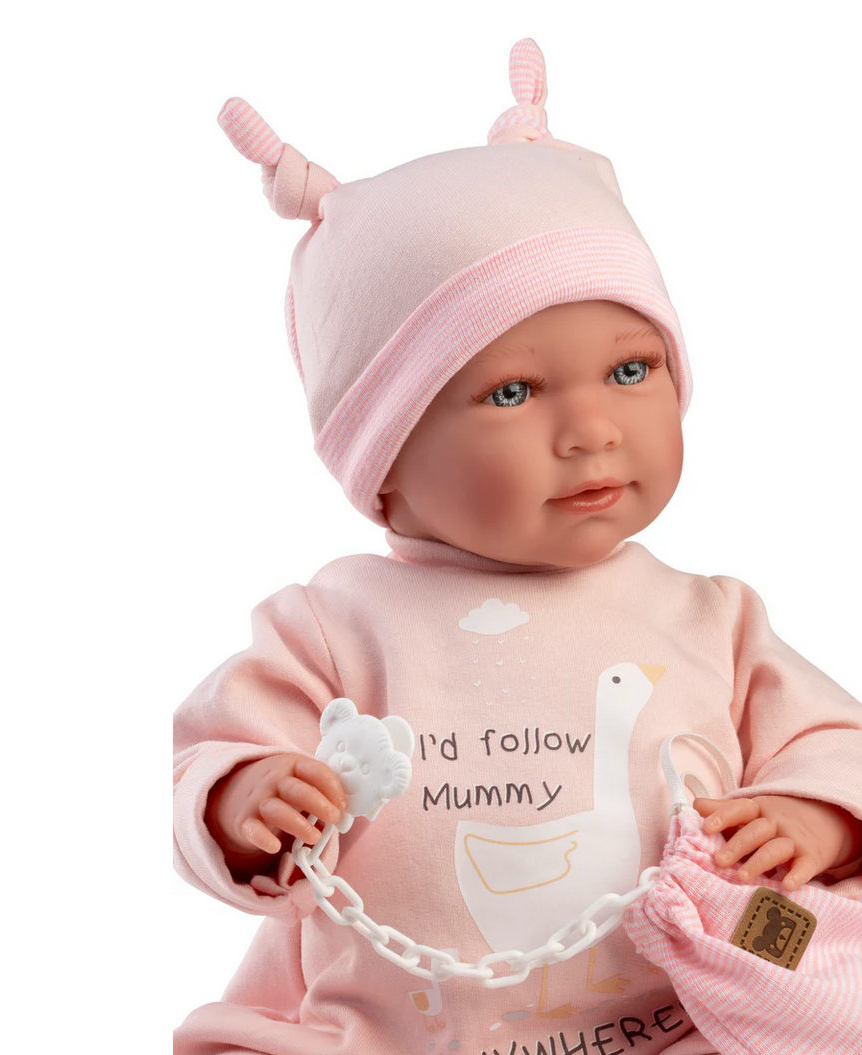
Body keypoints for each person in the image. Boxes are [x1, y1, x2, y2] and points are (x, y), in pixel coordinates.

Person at [172, 38, 862, 1055]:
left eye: (629, 370)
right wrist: (242, 798)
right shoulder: (329, 627)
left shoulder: (711, 616)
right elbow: (210, 755)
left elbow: (834, 741)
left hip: (679, 1025)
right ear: (382, 455)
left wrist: (814, 813)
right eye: (510, 390)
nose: (591, 429)